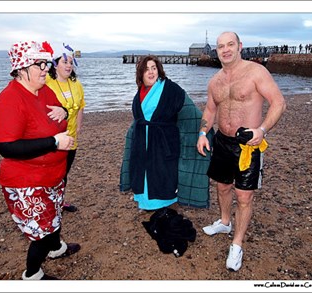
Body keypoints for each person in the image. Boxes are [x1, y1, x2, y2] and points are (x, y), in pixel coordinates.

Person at [0, 40, 81, 280]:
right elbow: (7, 147)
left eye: (45, 63)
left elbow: (58, 108)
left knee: (54, 218)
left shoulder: (43, 89)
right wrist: (53, 142)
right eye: (38, 64)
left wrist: (63, 109)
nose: (45, 69)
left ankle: (57, 249)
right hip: (26, 182)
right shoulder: (9, 100)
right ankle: (33, 274)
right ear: (21, 70)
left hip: (52, 176)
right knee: (42, 232)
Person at [196, 32, 286, 272]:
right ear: (216, 51)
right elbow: (210, 109)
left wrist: (262, 130)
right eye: (220, 46)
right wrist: (203, 134)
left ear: (240, 46)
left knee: (244, 195)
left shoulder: (256, 72)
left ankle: (237, 244)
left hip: (249, 143)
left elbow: (278, 102)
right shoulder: (214, 81)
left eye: (230, 44)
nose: (225, 50)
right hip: (223, 142)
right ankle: (225, 223)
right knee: (222, 185)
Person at [120, 55, 214, 211]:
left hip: (163, 142)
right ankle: (145, 202)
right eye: (146, 69)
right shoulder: (141, 91)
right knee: (142, 172)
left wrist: (203, 132)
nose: (150, 72)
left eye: (154, 68)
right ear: (141, 73)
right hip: (142, 141)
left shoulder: (170, 89)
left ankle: (163, 203)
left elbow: (192, 112)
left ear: (159, 70)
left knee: (162, 173)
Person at [46, 43, 86, 213]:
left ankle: (59, 202)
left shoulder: (76, 84)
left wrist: (78, 128)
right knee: (50, 174)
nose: (69, 65)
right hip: (52, 139)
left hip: (71, 138)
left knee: (64, 173)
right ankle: (47, 204)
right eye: (64, 62)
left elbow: (81, 106)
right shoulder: (46, 83)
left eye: (71, 62)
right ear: (55, 64)